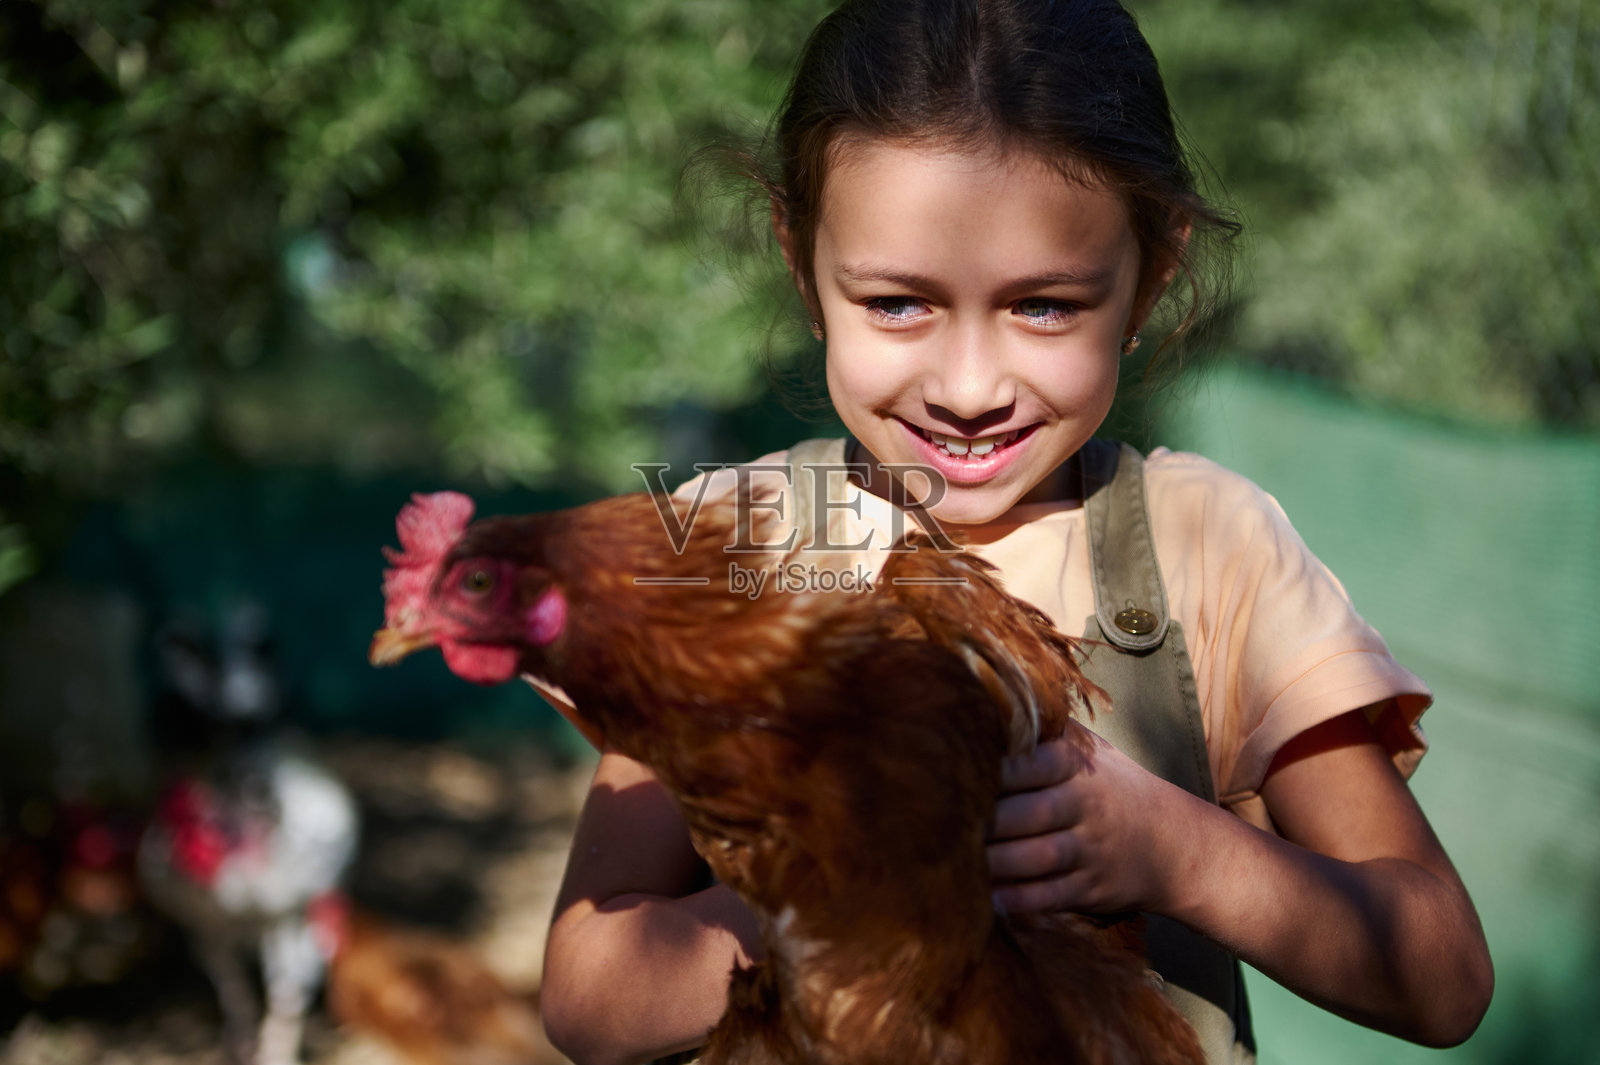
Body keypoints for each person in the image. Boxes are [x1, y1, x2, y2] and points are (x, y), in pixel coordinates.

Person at [539, 2, 1494, 1063]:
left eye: (1043, 307)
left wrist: (1177, 852)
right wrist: (821, 904)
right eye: (898, 304)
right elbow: (588, 998)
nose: (968, 387)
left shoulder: (1206, 547)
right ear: (800, 258)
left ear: (1151, 273)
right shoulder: (724, 548)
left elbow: (1441, 977)